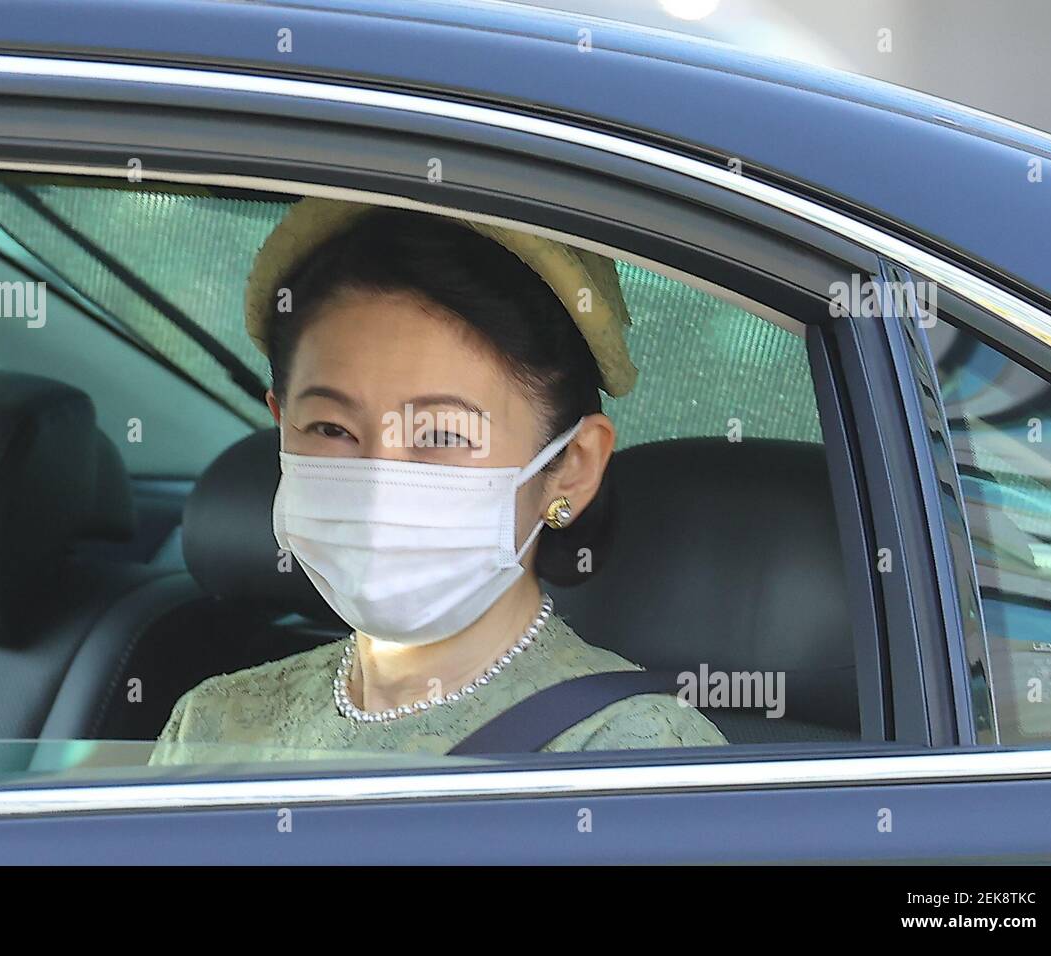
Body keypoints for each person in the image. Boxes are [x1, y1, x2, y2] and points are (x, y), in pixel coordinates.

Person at [150, 198, 725, 762]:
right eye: (331, 427)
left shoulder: (633, 755)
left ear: (570, 467)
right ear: (281, 427)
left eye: (444, 436)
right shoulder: (212, 722)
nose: (379, 484)